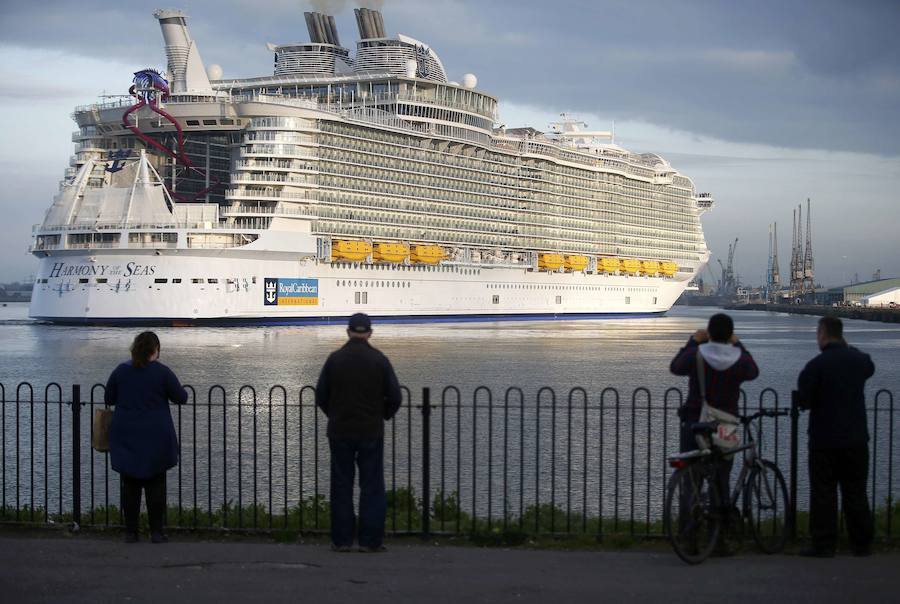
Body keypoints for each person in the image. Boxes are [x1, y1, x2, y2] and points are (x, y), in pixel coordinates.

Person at [669, 313, 760, 550]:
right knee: (721, 480)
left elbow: (675, 366)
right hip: (725, 424)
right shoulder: (739, 358)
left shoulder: (697, 354)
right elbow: (753, 371)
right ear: (729, 334)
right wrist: (737, 343)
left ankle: (688, 538)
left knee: (691, 481)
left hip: (694, 423)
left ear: (708, 332)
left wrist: (693, 340)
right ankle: (718, 540)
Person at [316, 313, 402, 553]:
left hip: (340, 431)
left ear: (348, 331)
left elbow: (320, 395)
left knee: (341, 485)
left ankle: (341, 540)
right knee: (371, 486)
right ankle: (370, 541)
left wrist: (334, 415)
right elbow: (395, 396)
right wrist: (382, 415)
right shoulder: (379, 360)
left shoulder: (334, 360)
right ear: (370, 333)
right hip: (370, 431)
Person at [797, 316, 875, 557]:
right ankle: (861, 543)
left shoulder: (816, 365)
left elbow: (804, 400)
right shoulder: (858, 362)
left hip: (824, 439)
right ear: (842, 335)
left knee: (823, 494)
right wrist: (848, 347)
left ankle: (824, 544)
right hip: (855, 438)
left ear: (822, 333)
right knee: (856, 492)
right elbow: (868, 366)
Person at [106, 331, 187, 543]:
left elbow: (109, 397)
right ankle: (157, 532)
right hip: (155, 437)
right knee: (155, 485)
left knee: (130, 485)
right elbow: (181, 397)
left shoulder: (121, 371)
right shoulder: (162, 373)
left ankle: (131, 532)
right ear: (155, 350)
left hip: (126, 435)